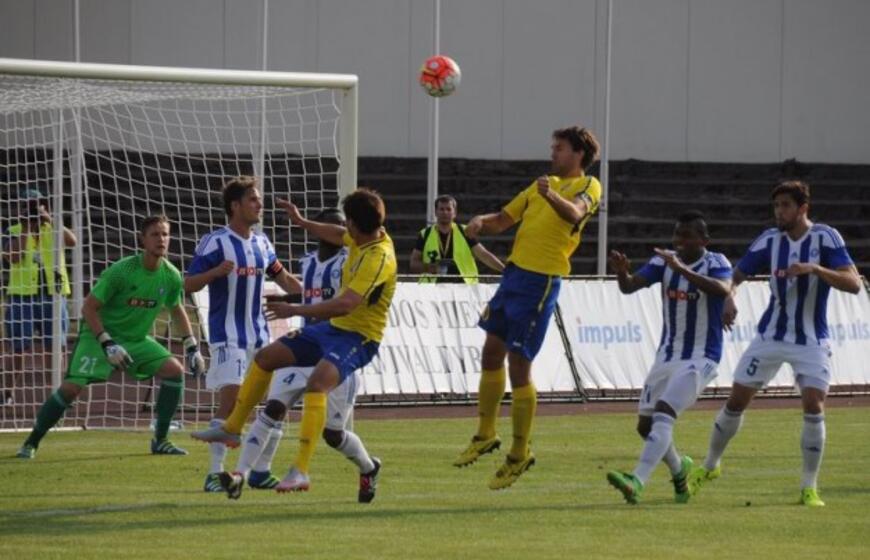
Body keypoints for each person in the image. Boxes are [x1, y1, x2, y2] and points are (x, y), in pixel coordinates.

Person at [192, 188, 396, 496]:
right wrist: (301, 221)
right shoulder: (356, 238)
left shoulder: (379, 257)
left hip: (359, 337)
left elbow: (346, 304)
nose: (343, 231)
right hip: (328, 328)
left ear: (355, 224)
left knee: (331, 426)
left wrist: (294, 308)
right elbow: (336, 233)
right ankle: (236, 439)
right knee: (267, 359)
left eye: (347, 224)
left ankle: (325, 468)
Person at [688, 181, 861, 507]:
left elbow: (853, 283)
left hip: (811, 339)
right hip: (770, 336)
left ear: (802, 208)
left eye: (785, 205)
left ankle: (809, 488)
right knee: (736, 400)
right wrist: (729, 297)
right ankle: (710, 466)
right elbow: (735, 276)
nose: (779, 212)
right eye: (776, 206)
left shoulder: (825, 237)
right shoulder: (769, 240)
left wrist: (815, 268)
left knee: (813, 405)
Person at [453, 125, 602, 490]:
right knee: (491, 352)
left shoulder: (587, 186)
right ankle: (485, 433)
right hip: (515, 276)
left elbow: (574, 215)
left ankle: (520, 453)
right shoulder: (541, 186)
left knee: (519, 365)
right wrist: (480, 222)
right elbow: (504, 219)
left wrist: (550, 195)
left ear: (579, 154)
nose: (553, 153)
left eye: (560, 148)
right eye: (553, 146)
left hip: (542, 281)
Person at [16, 215, 205, 459]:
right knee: (71, 388)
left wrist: (192, 347)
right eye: (155, 235)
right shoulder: (121, 271)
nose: (161, 240)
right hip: (98, 338)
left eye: (165, 234)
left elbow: (177, 308)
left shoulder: (171, 275)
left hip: (136, 340)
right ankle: (31, 443)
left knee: (174, 371)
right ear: (143, 240)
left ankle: (160, 440)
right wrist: (107, 343)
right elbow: (88, 308)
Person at [605, 211, 732, 504]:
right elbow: (630, 287)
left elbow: (722, 289)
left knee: (664, 413)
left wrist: (681, 268)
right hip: (667, 354)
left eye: (686, 236)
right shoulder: (664, 261)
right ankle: (679, 471)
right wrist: (622, 272)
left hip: (701, 356)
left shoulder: (716, 262)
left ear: (704, 240)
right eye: (677, 236)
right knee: (645, 426)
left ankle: (637, 481)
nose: (679, 242)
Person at [184, 176, 301, 492]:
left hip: (260, 337)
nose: (259, 204)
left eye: (259, 199)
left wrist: (312, 296)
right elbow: (188, 284)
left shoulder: (262, 243)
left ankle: (261, 471)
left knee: (276, 403)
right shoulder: (216, 242)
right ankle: (213, 473)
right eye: (253, 199)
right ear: (234, 206)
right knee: (232, 403)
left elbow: (284, 277)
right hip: (228, 337)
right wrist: (213, 273)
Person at [2, 187, 76, 405]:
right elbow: (13, 257)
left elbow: (72, 241)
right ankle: (6, 392)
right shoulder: (12, 230)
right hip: (21, 296)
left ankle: (59, 393)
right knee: (18, 347)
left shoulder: (53, 227)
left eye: (35, 205)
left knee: (55, 347)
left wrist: (49, 218)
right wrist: (26, 228)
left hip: (53, 294)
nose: (32, 209)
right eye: (26, 206)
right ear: (19, 209)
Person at [409, 194, 504, 282]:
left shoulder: (465, 231)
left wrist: (505, 270)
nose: (445, 212)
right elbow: (413, 263)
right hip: (433, 291)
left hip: (463, 289)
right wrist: (431, 268)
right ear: (436, 212)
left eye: (448, 209)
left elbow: (484, 255)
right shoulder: (425, 234)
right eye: (441, 209)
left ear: (455, 213)